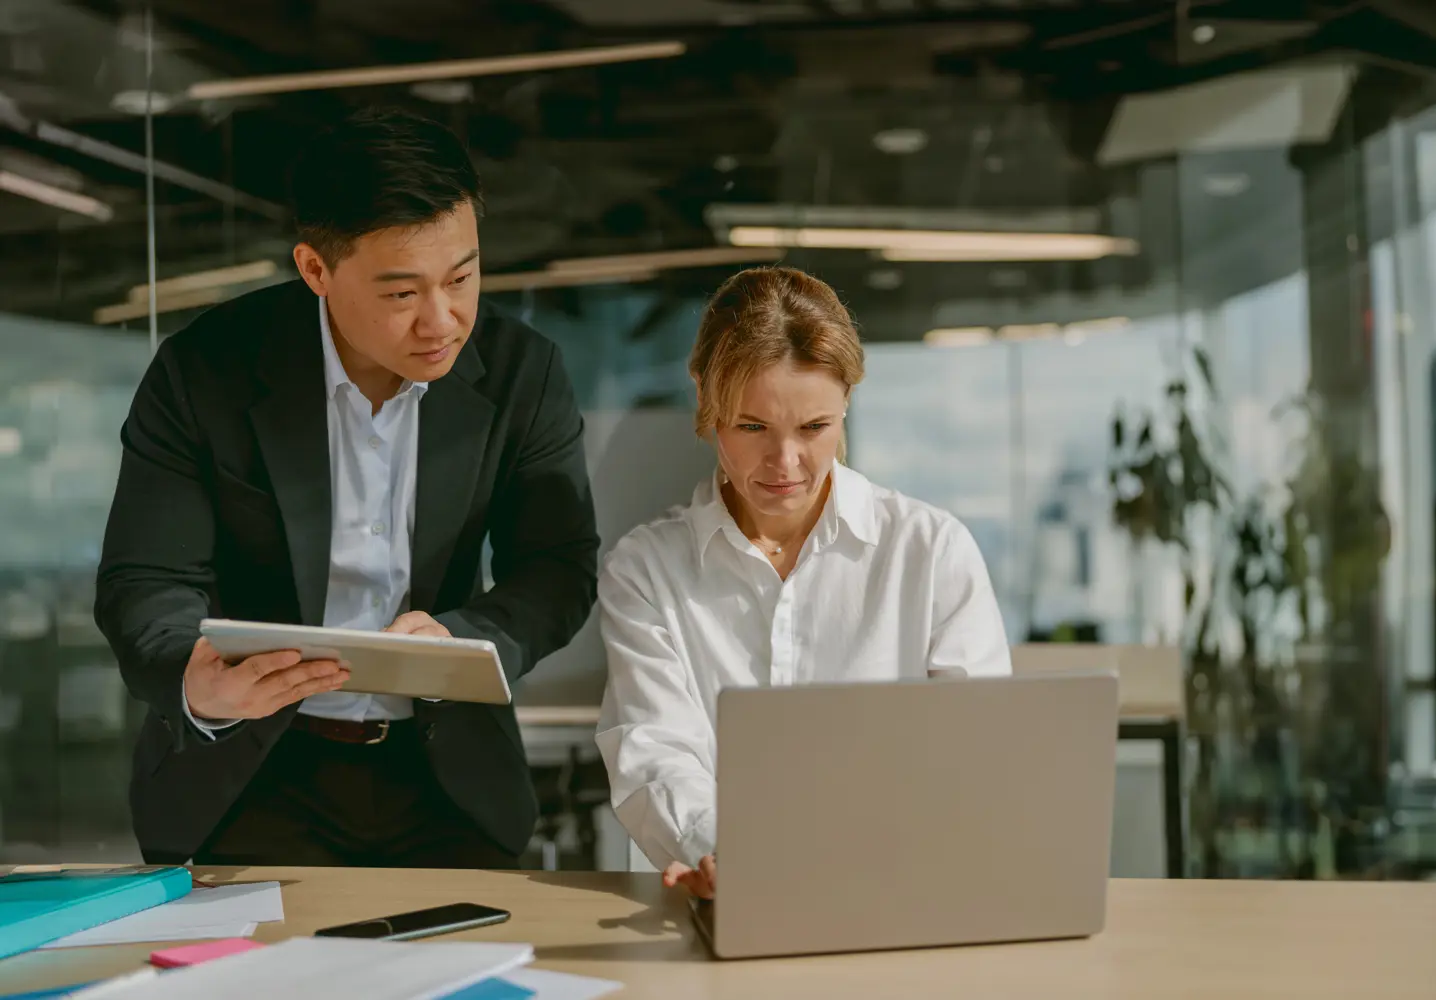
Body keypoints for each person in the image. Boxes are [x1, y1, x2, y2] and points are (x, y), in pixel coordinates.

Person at [95, 107, 600, 868]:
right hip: (248, 779)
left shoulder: (523, 372)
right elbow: (146, 578)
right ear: (315, 270)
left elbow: (557, 566)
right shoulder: (207, 371)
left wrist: (468, 637)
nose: (444, 321)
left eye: (462, 277)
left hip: (447, 781)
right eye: (402, 295)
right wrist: (195, 683)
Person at [594, 266, 1011, 899]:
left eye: (814, 428)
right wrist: (731, 856)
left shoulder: (931, 552)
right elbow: (655, 757)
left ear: (847, 402)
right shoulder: (646, 570)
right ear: (704, 398)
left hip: (899, 895)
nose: (785, 464)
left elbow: (978, 757)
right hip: (721, 899)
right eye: (753, 427)